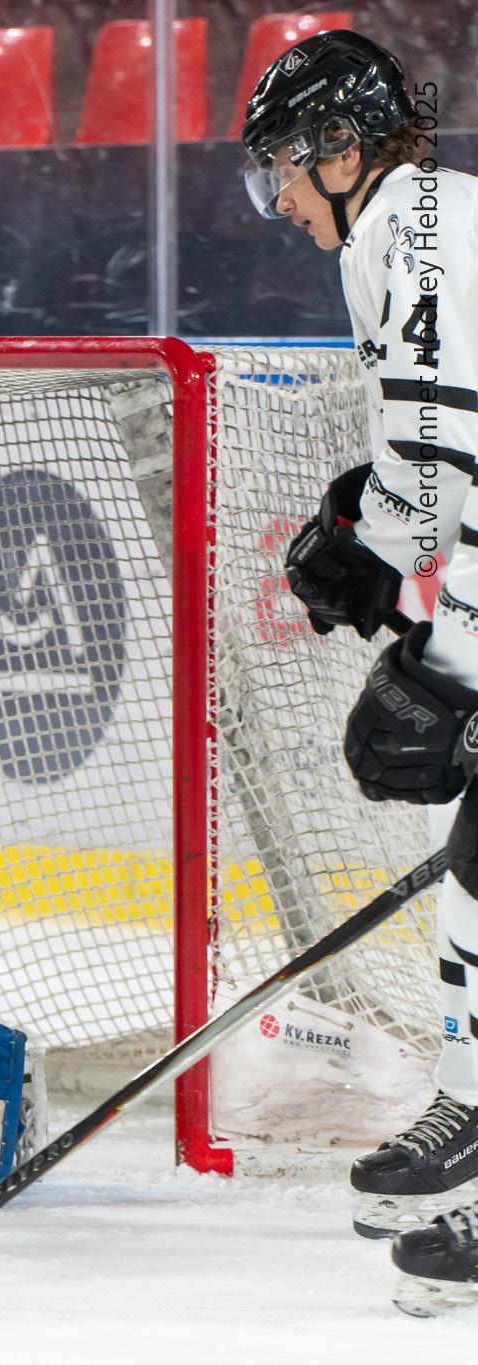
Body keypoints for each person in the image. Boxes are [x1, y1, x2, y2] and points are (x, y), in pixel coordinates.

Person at [249, 29, 478, 1309]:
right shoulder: (415, 223)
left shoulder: (420, 226)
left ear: (340, 148)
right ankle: (467, 1114)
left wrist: (425, 629)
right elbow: (433, 470)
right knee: (473, 866)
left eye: (278, 168)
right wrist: (375, 552)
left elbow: (456, 461)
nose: (276, 200)